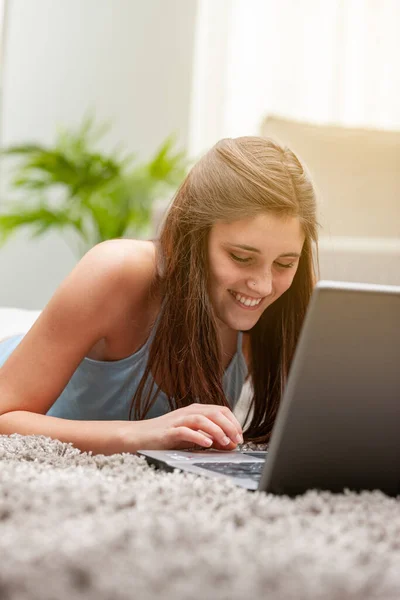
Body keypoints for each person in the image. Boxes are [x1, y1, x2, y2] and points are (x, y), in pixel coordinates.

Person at [0, 136, 318, 455]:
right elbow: (4, 414)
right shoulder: (116, 270)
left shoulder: (272, 307)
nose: (263, 285)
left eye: (284, 263)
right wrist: (136, 434)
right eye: (241, 258)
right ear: (195, 234)